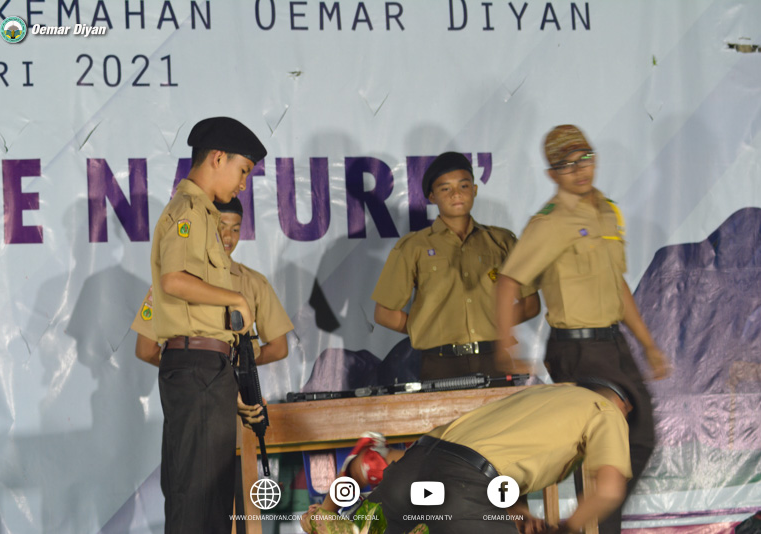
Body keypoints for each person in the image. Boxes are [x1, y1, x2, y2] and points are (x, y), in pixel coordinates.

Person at [496, 125, 671, 533]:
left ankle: (581, 525)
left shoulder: (606, 211)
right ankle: (582, 527)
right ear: (552, 174)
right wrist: (505, 346)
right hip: (576, 350)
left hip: (613, 344)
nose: (579, 169)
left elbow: (616, 284)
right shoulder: (549, 222)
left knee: (640, 438)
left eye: (584, 158)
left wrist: (648, 344)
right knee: (602, 442)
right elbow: (508, 282)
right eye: (566, 164)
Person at [302, 379, 634, 534]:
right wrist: (567, 529)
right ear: (620, 405)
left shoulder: (541, 395)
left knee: (360, 531)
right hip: (462, 488)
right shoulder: (605, 409)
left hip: (410, 469)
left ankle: (327, 519)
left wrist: (518, 513)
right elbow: (608, 490)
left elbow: (492, 456)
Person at [148, 116, 266, 534]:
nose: (243, 185)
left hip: (208, 370)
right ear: (218, 158)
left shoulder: (203, 214)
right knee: (196, 503)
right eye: (243, 171)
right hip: (196, 365)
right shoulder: (189, 211)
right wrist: (235, 298)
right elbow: (173, 280)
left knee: (212, 503)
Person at [372, 151, 540, 380]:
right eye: (445, 189)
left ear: (475, 189)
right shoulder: (414, 247)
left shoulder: (501, 242)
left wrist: (496, 323)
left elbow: (530, 304)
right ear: (432, 196)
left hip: (493, 358)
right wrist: (427, 328)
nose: (456, 194)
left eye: (464, 186)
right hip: (440, 363)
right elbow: (385, 313)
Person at [131, 196, 294, 370]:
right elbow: (145, 350)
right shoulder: (177, 280)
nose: (228, 236)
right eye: (221, 226)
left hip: (232, 382)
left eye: (235, 229)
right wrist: (186, 369)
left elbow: (279, 348)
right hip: (188, 381)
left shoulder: (254, 283)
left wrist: (237, 367)